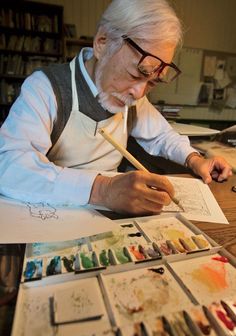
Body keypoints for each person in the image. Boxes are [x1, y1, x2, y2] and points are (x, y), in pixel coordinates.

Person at [0, 0, 232, 216]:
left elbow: (162, 136)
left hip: (111, 216)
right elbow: (10, 167)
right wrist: (103, 189)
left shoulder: (134, 95)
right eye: (136, 74)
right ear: (102, 43)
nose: (139, 93)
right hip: (51, 212)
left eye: (152, 82)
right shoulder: (45, 87)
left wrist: (195, 159)